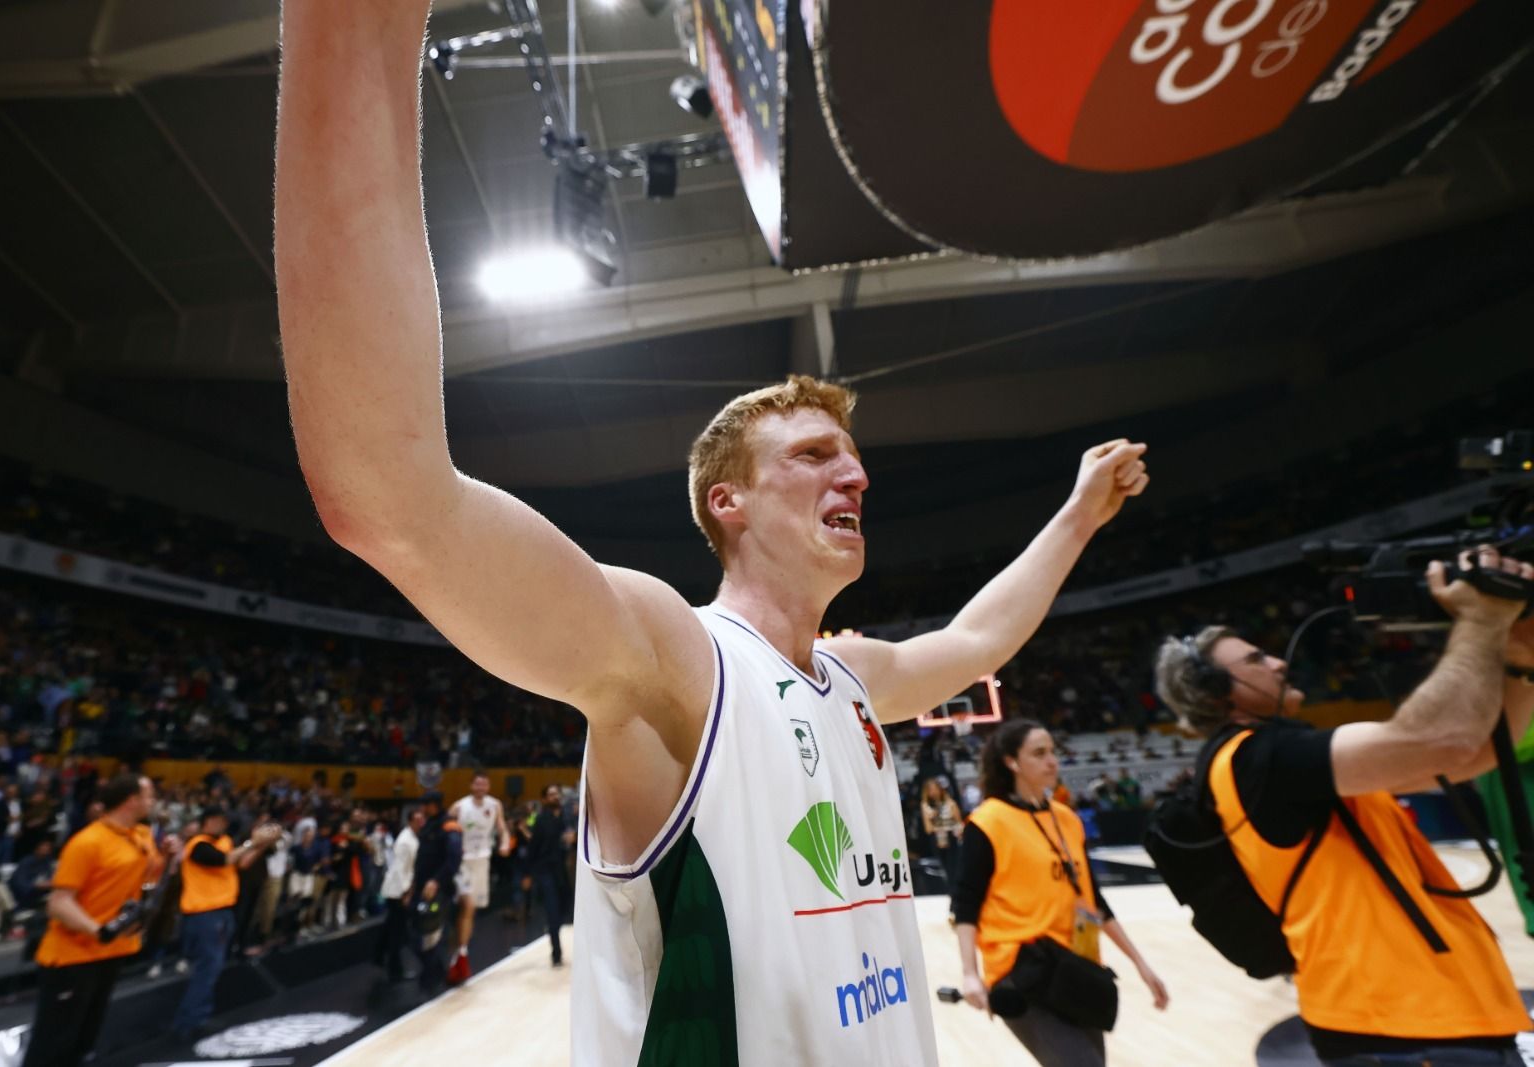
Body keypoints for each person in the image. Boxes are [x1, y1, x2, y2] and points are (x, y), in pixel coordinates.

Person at [274, 4, 1148, 1058]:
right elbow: (390, 498)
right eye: (812, 454)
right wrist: (347, 30)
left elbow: (975, 642)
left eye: (851, 453)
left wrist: (1076, 513)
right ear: (725, 502)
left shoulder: (854, 679)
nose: (855, 470)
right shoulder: (670, 653)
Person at [1153, 546, 1534, 1066]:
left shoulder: (1287, 756)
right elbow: (1438, 739)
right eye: (1255, 660)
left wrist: (1516, 658)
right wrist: (1479, 620)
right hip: (1395, 1024)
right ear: (1219, 692)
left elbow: (1482, 751)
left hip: (1425, 1016)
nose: (1279, 662)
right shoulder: (1259, 759)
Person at [954, 720, 1168, 1066]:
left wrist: (1140, 963)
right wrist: (969, 972)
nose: (1052, 761)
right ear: (1011, 762)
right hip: (1021, 970)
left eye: (1053, 752)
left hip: (1077, 967)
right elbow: (966, 904)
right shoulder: (988, 822)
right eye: (1039, 753)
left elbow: (1094, 900)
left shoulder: (1068, 819)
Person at [20, 773, 167, 1067]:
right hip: (74, 955)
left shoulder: (141, 836)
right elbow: (59, 902)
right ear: (131, 800)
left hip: (111, 952)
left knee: (83, 1040)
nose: (153, 801)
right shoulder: (87, 842)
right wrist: (98, 930)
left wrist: (166, 857)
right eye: (149, 795)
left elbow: (149, 878)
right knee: (54, 1043)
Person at [170, 807, 280, 1042]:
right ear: (208, 821)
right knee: (207, 968)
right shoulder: (198, 845)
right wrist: (254, 841)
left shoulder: (226, 841)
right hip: (204, 914)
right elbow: (225, 860)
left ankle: (199, 1016)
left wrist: (262, 844)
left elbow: (242, 864)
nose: (223, 825)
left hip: (222, 911)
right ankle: (187, 1022)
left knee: (213, 967)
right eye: (219, 820)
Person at [448, 773, 511, 981]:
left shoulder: (495, 805)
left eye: (484, 783)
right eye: (477, 783)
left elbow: (502, 829)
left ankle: (460, 951)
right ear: (471, 785)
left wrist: (504, 843)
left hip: (482, 862)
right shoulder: (459, 807)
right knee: (466, 907)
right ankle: (460, 954)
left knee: (470, 911)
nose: (481, 786)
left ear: (488, 786)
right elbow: (446, 832)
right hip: (462, 862)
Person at [409, 791, 461, 994]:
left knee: (435, 931)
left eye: (425, 805)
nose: (422, 809)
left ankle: (433, 977)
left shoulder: (450, 826)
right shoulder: (428, 825)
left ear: (434, 805)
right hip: (421, 887)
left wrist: (436, 882)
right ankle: (434, 971)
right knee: (414, 932)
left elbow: (454, 860)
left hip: (439, 889)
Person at [525, 784, 573, 968]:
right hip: (545, 871)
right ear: (544, 799)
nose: (555, 797)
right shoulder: (540, 820)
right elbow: (532, 849)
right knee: (552, 910)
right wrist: (528, 874)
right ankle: (556, 952)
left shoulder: (565, 818)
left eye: (556, 793)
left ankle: (554, 930)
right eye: (551, 794)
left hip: (562, 870)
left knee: (565, 907)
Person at [377, 807, 424, 981]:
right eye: (418, 820)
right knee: (398, 932)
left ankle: (378, 956)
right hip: (398, 891)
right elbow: (400, 870)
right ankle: (395, 970)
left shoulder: (412, 838)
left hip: (399, 889)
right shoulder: (406, 841)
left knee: (390, 927)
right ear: (410, 821)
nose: (421, 822)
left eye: (422, 819)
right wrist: (406, 893)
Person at [920, 777, 963, 893]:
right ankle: (951, 891)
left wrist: (957, 832)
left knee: (954, 866)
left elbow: (959, 823)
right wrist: (933, 818)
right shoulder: (926, 806)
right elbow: (928, 829)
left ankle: (955, 891)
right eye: (930, 790)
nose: (933, 792)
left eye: (935, 789)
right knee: (944, 867)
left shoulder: (950, 803)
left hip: (952, 836)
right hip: (938, 838)